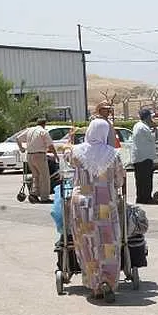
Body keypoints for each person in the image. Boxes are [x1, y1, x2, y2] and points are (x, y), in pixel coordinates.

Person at [66, 119, 125, 302]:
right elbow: (119, 181)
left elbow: (66, 162)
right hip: (105, 204)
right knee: (108, 244)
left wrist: (70, 138)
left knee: (87, 245)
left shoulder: (76, 152)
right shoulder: (113, 155)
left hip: (82, 206)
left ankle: (95, 285)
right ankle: (108, 280)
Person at [17, 118, 59, 203]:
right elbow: (50, 145)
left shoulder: (29, 130)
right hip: (39, 155)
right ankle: (44, 198)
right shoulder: (43, 131)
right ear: (44, 124)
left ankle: (34, 194)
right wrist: (56, 155)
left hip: (29, 155)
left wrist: (21, 148)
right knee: (44, 177)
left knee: (35, 176)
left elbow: (18, 138)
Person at [131, 108, 157, 204]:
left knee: (140, 180)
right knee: (146, 179)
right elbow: (152, 139)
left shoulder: (137, 125)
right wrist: (154, 128)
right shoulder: (144, 128)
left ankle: (140, 198)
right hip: (145, 157)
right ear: (147, 117)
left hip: (138, 157)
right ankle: (147, 198)